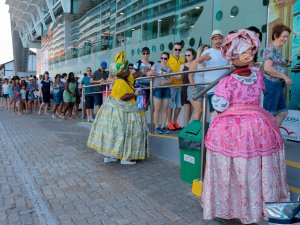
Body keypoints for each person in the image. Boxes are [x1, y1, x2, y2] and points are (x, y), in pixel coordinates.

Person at [201, 29, 290, 224]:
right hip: (258, 125)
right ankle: (256, 204)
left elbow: (220, 105)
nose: (249, 55)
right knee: (255, 164)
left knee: (238, 165)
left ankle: (236, 206)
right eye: (245, 52)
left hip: (235, 129)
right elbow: (259, 98)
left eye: (250, 51)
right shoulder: (257, 77)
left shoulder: (228, 81)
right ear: (234, 56)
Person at [87, 51, 148, 165]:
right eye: (126, 70)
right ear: (120, 72)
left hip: (115, 111)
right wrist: (136, 94)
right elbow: (123, 97)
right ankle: (126, 158)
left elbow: (135, 75)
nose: (128, 71)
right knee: (121, 133)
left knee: (113, 133)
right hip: (122, 112)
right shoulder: (120, 81)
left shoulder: (126, 78)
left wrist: (144, 70)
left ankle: (110, 156)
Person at [263, 24, 292, 127]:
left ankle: (274, 137)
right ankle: (266, 140)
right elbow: (267, 68)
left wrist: (287, 63)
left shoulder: (278, 51)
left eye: (287, 37)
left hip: (278, 85)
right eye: (283, 36)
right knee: (268, 115)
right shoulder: (270, 49)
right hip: (271, 84)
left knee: (282, 113)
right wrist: (285, 77)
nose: (285, 39)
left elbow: (277, 67)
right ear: (275, 35)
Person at [198, 30, 229, 113]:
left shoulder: (226, 51)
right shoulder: (208, 51)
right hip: (211, 87)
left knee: (225, 111)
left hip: (225, 87)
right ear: (212, 40)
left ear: (222, 39)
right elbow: (199, 61)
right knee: (214, 112)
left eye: (219, 39)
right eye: (215, 39)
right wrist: (203, 58)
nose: (218, 41)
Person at [147, 52, 173, 134]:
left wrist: (165, 83)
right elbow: (149, 73)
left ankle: (163, 126)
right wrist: (153, 73)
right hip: (157, 88)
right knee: (157, 109)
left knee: (165, 109)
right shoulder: (156, 65)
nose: (163, 60)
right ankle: (157, 126)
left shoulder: (169, 68)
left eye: (165, 58)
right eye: (162, 58)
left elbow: (171, 80)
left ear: (168, 59)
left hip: (166, 89)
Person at [188, 45, 210, 121]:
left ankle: (197, 130)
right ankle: (193, 131)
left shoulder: (208, 63)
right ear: (201, 52)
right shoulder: (196, 61)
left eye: (208, 50)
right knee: (198, 110)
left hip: (205, 89)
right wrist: (194, 88)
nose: (207, 52)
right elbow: (190, 76)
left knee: (201, 112)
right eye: (205, 51)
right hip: (196, 87)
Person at [166, 42, 185, 130]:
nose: (177, 51)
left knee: (179, 105)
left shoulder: (182, 58)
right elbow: (164, 70)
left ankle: (174, 121)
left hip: (179, 85)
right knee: (171, 105)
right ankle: (169, 123)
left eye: (179, 49)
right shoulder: (168, 58)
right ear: (173, 49)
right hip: (171, 85)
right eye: (175, 49)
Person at [180, 48, 197, 127]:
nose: (187, 57)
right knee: (187, 109)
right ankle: (185, 127)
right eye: (186, 55)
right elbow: (178, 76)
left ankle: (189, 127)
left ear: (193, 55)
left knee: (193, 109)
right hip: (185, 88)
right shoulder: (183, 66)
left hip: (194, 87)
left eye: (189, 55)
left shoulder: (196, 64)